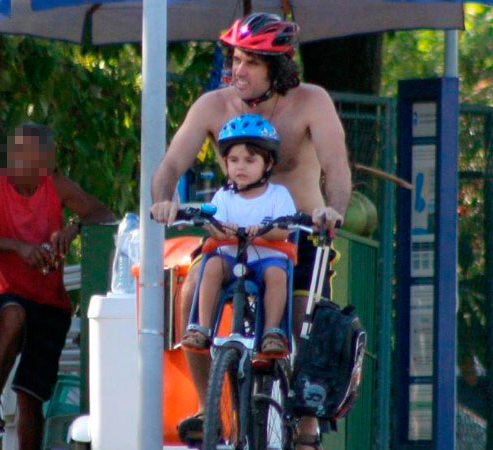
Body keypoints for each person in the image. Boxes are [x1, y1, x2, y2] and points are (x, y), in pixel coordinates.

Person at [150, 13, 351, 450]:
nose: (237, 70)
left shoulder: (312, 101)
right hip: (230, 233)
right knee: (190, 297)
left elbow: (337, 166)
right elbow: (170, 165)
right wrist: (164, 198)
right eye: (235, 59)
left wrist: (333, 210)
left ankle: (304, 421)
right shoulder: (213, 105)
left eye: (251, 63)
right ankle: (210, 406)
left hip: (295, 236)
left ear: (276, 68)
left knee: (302, 323)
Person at [0, 123, 116, 450]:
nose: (20, 164)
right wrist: (18, 247)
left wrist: (72, 228)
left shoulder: (57, 185)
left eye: (30, 159)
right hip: (6, 290)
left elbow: (103, 213)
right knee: (13, 316)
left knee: (30, 395)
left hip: (50, 302)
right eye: (16, 156)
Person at [181, 114, 296, 356]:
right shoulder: (223, 196)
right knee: (211, 265)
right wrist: (217, 227)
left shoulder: (278, 195)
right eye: (233, 160)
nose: (240, 166)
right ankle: (201, 328)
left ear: (267, 164)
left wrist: (264, 231)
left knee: (277, 274)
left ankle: (272, 332)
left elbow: (284, 228)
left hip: (266, 258)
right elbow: (212, 219)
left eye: (249, 160)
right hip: (231, 256)